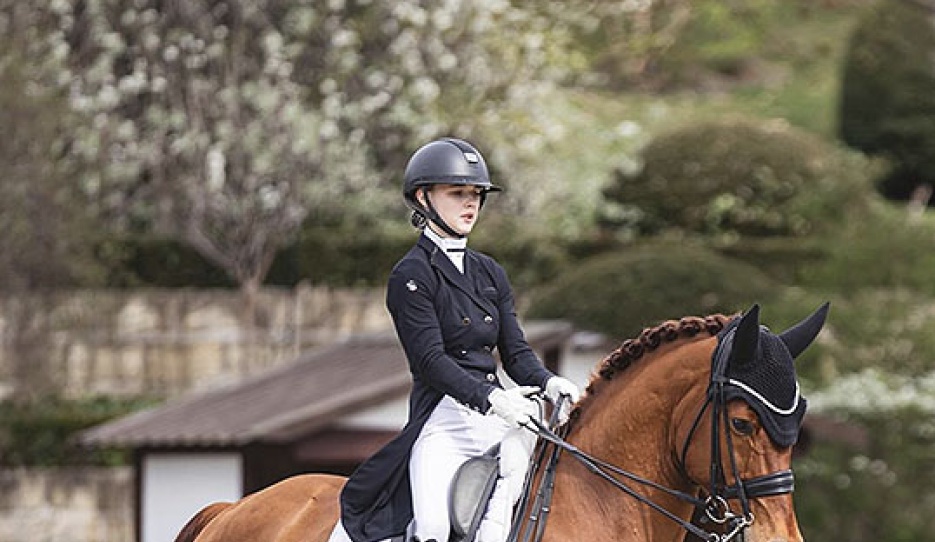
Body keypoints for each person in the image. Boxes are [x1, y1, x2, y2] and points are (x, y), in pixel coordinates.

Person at [327, 137, 580, 542]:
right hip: (444, 419)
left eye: (476, 195)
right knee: (432, 527)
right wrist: (492, 398)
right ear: (423, 197)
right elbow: (430, 361)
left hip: (499, 419)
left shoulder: (490, 272)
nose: (470, 204)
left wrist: (549, 382)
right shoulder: (411, 275)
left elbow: (515, 353)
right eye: (457, 193)